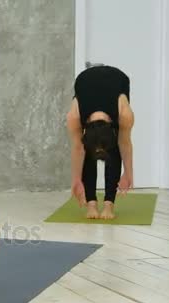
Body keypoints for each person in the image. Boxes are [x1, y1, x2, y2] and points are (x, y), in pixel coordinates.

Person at [67, 65, 135, 219]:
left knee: (113, 148)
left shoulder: (125, 115)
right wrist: (76, 179)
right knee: (89, 148)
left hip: (117, 78)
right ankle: (91, 204)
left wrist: (128, 173)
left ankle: (108, 205)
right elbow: (78, 148)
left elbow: (124, 143)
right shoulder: (74, 117)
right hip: (85, 79)